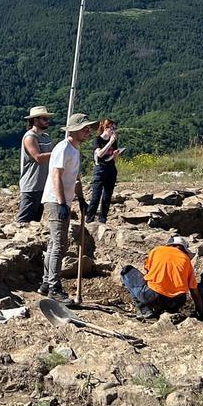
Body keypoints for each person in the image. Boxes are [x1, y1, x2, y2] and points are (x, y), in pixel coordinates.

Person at [40, 112, 97, 302]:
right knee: (59, 245)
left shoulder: (74, 149)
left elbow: (75, 178)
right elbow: (56, 175)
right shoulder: (63, 148)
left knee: (53, 243)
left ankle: (46, 283)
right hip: (57, 200)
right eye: (85, 128)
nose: (88, 131)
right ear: (74, 130)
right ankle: (54, 288)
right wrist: (62, 203)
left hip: (62, 199)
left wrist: (80, 198)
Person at [120, 236, 203, 319]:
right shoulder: (187, 260)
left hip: (152, 296)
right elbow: (195, 292)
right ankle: (168, 311)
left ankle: (145, 309)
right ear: (183, 248)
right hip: (176, 301)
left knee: (126, 270)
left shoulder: (157, 250)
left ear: (170, 244)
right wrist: (201, 313)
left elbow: (148, 271)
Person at [18, 106, 56, 222]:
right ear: (35, 120)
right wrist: (58, 153)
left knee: (35, 220)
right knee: (24, 220)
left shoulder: (46, 137)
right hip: (32, 185)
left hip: (43, 185)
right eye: (44, 119)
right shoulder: (30, 137)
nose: (47, 121)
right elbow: (38, 158)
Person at [85, 119, 122, 224]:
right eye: (112, 128)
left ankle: (103, 219)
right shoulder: (98, 140)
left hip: (111, 168)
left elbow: (114, 160)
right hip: (100, 169)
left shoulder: (114, 141)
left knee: (107, 196)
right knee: (96, 196)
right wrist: (110, 142)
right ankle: (89, 219)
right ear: (106, 128)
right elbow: (99, 154)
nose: (114, 130)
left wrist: (115, 155)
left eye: (115, 128)